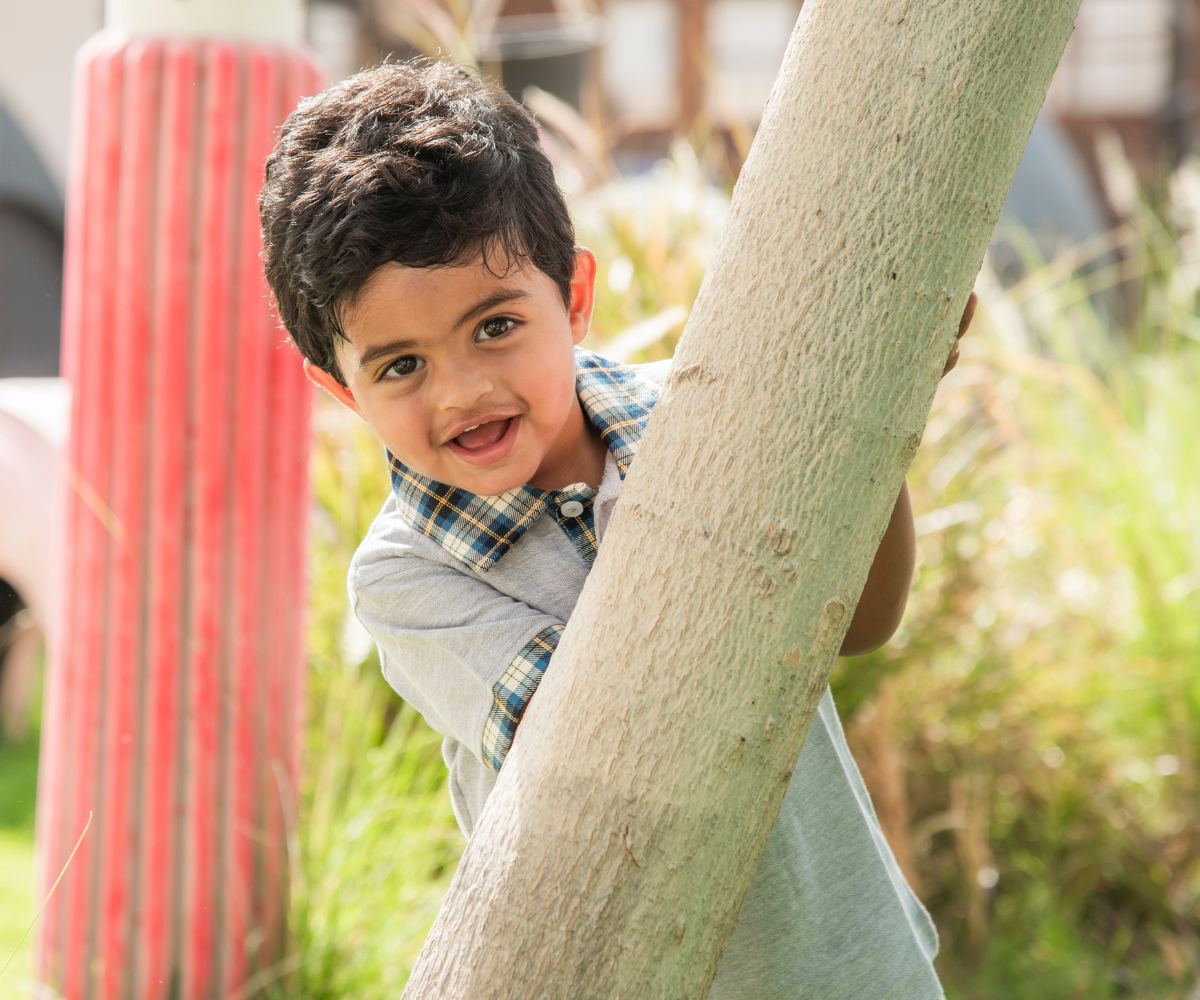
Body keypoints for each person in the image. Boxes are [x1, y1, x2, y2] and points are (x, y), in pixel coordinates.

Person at [260, 59, 976, 999]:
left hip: (846, 961)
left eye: (495, 327)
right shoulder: (407, 579)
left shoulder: (703, 411)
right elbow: (604, 746)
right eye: (400, 367)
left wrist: (866, 415)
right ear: (340, 390)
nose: (464, 391)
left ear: (576, 294)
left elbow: (860, 625)